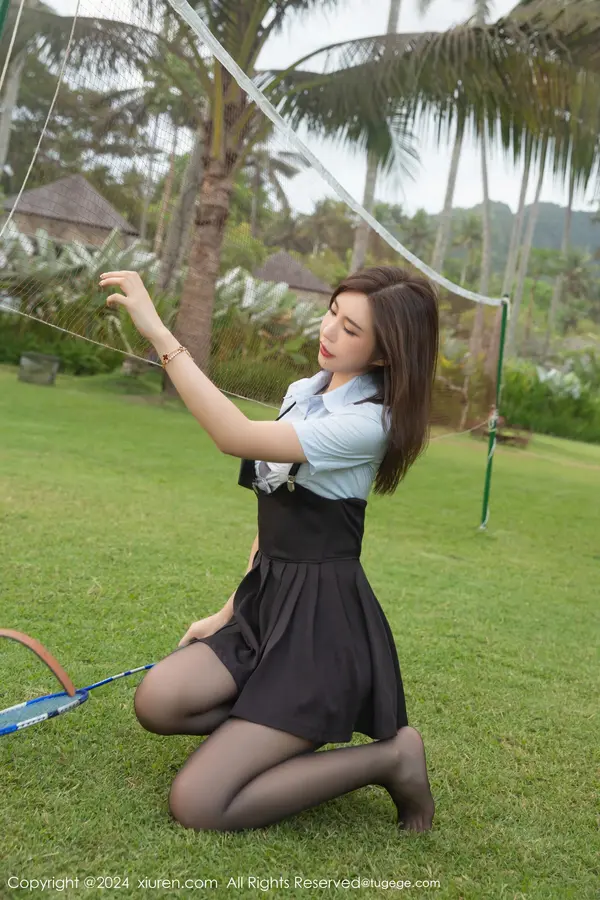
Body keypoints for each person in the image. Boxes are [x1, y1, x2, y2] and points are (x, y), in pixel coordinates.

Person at [98, 264, 438, 834]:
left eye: (351, 329)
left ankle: (392, 758)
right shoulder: (304, 393)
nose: (329, 331)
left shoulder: (368, 424)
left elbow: (234, 436)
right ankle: (267, 729)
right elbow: (275, 516)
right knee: (158, 701)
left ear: (384, 354)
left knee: (198, 804)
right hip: (268, 606)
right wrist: (229, 610)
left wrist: (158, 332)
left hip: (318, 632)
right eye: (333, 312)